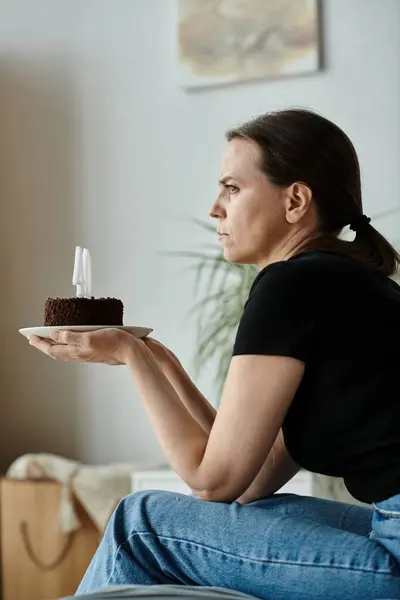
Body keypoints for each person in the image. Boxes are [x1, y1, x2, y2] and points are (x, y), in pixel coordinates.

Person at [28, 108, 400, 600]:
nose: (214, 209)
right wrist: (160, 361)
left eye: (232, 188)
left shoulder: (292, 286)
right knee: (260, 512)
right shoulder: (349, 283)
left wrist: (130, 357)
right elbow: (250, 479)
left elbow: (212, 480)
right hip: (388, 527)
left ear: (295, 201)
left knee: (138, 524)